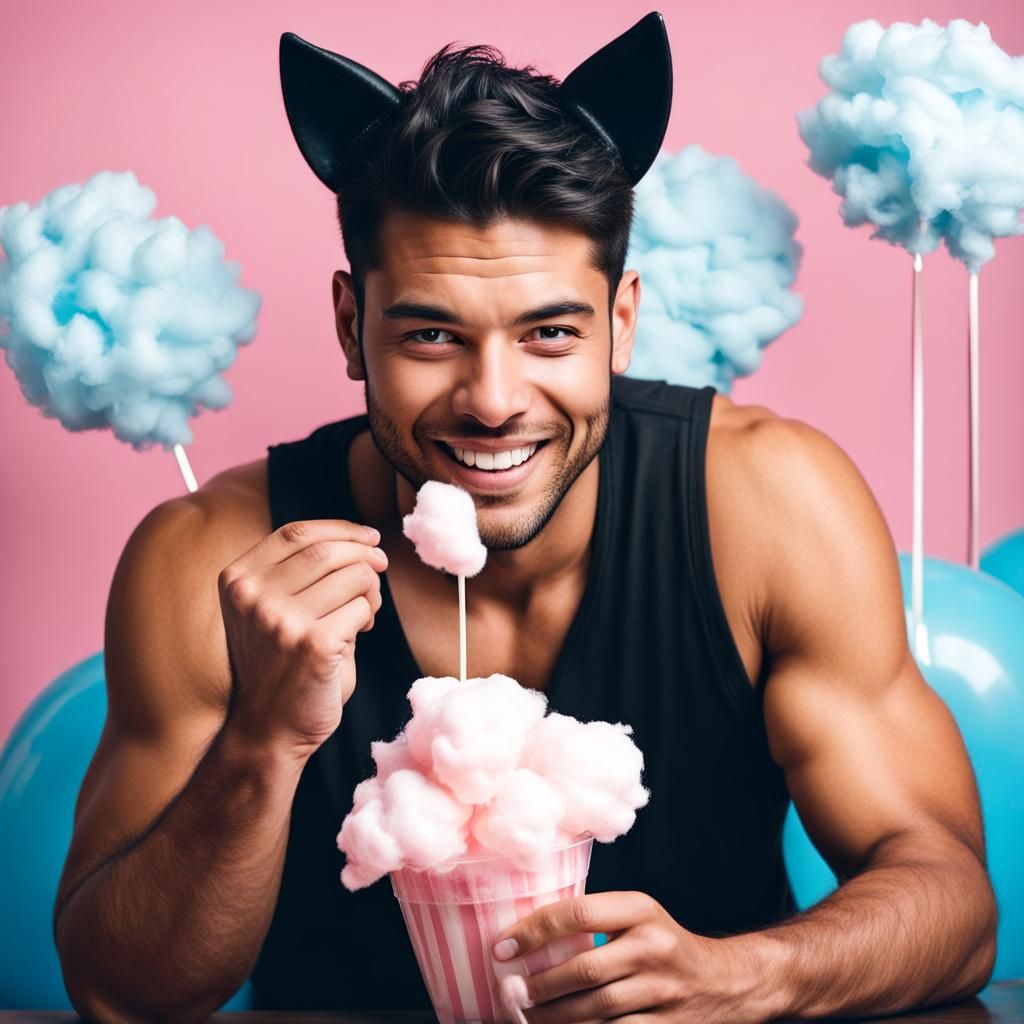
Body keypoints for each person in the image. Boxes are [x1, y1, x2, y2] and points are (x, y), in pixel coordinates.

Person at [54, 16, 996, 1024]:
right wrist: (263, 740)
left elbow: (951, 901)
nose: (494, 400)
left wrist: (746, 976)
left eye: (548, 332)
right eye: (431, 335)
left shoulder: (768, 508)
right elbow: (120, 993)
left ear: (620, 323)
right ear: (351, 327)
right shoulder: (213, 558)